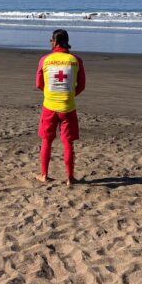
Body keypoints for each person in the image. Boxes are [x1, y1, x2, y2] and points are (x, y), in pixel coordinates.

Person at [35, 29, 86, 186]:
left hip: (49, 107)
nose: (50, 42)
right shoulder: (76, 60)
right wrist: (68, 96)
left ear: (55, 41)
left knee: (46, 141)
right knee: (68, 143)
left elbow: (39, 84)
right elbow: (81, 85)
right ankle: (70, 178)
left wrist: (51, 95)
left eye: (51, 40)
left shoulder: (45, 60)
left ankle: (44, 175)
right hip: (68, 107)